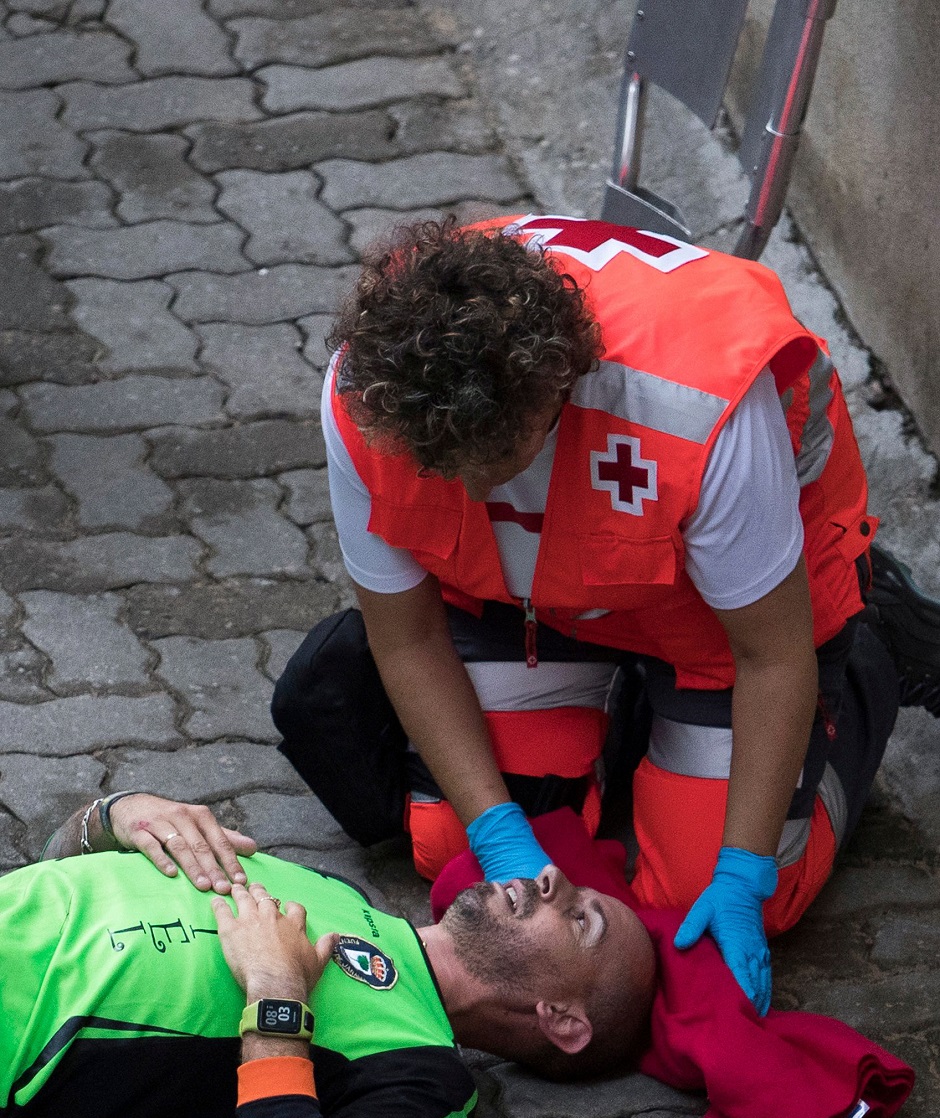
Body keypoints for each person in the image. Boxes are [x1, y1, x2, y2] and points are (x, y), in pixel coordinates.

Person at [272, 214, 940, 1016]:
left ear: (556, 390)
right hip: (533, 602)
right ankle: (630, 723)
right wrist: (495, 828)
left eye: (488, 464)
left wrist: (742, 870)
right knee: (449, 845)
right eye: (440, 467)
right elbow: (406, 634)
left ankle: (871, 657)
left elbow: (771, 659)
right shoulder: (369, 389)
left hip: (721, 623)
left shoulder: (695, 406)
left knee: (719, 894)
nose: (471, 492)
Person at [0, 790, 654, 1118]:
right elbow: (57, 861)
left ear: (561, 1018)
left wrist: (277, 996)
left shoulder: (425, 1077)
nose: (550, 879)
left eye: (579, 918)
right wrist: (110, 817)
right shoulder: (336, 892)